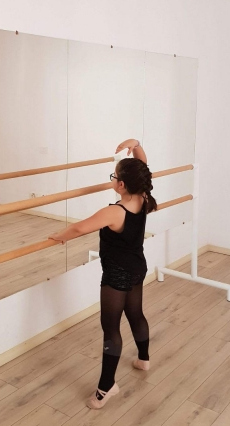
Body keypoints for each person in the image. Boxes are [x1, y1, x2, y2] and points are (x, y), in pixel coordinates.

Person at [49, 138, 156, 409]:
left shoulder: (115, 212)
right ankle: (143, 359)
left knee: (111, 329)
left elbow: (79, 228)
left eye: (114, 177)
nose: (113, 179)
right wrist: (136, 145)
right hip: (138, 267)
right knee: (136, 314)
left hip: (117, 275)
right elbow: (143, 166)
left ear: (121, 185)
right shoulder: (142, 197)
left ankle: (106, 386)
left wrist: (58, 236)